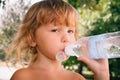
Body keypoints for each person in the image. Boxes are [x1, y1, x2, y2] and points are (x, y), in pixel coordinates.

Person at [7, 0, 109, 80]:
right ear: (32, 38)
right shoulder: (23, 77)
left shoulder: (76, 78)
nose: (66, 38)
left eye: (70, 31)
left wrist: (102, 74)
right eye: (55, 30)